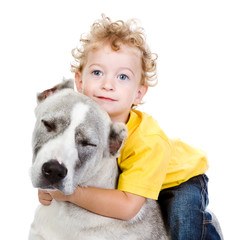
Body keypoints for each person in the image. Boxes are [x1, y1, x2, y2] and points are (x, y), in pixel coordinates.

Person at [38, 15, 221, 239]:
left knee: (182, 220)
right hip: (134, 181)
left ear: (139, 92)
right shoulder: (76, 127)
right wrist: (50, 187)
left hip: (178, 179)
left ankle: (206, 227)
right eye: (97, 72)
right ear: (79, 81)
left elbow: (127, 208)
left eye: (123, 76)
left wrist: (70, 195)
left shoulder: (148, 142)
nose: (107, 84)